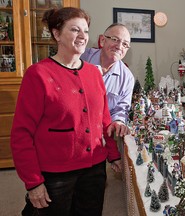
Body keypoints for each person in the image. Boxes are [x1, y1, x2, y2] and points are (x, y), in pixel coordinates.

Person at [10, 7, 121, 216]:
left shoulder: (94, 73)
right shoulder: (38, 74)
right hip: (56, 174)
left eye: (86, 31)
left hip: (94, 170)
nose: (82, 36)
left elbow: (104, 119)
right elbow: (21, 134)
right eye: (75, 30)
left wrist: (113, 154)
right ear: (56, 34)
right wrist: (33, 182)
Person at [81, 23, 135, 137]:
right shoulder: (81, 58)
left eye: (125, 44)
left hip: (100, 135)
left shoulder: (127, 78)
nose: (119, 46)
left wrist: (118, 121)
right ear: (102, 40)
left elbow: (121, 109)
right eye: (115, 39)